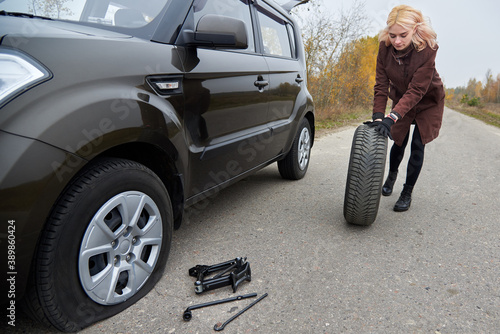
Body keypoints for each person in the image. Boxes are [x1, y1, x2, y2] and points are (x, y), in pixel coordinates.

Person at [372, 5, 445, 212]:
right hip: (403, 97)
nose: (397, 41)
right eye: (393, 35)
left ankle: (407, 192)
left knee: (417, 145)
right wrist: (379, 116)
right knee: (398, 140)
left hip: (428, 101)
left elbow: (417, 90)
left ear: (415, 30)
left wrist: (392, 115)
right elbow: (381, 84)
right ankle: (392, 175)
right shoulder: (385, 49)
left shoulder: (428, 50)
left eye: (403, 35)